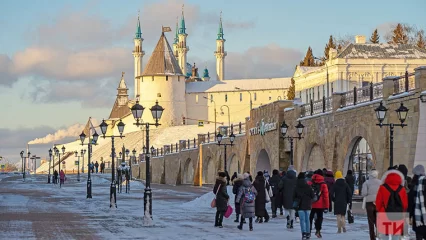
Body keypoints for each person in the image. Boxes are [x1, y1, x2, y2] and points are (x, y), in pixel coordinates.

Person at [375, 168, 408, 239]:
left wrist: (379, 210)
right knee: (396, 235)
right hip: (398, 214)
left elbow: (378, 202)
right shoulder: (402, 189)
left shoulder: (382, 187)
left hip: (384, 213)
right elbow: (405, 204)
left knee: (385, 235)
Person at [361, 169, 381, 240]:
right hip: (378, 202)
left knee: (370, 221)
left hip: (369, 202)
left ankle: (372, 237)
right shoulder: (380, 182)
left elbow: (364, 193)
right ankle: (379, 234)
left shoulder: (366, 183)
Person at [309, 169, 329, 238]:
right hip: (320, 204)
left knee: (310, 218)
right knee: (319, 218)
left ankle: (308, 231)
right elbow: (326, 196)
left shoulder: (310, 183)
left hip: (311, 204)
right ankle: (318, 230)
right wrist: (326, 206)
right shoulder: (323, 184)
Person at [294, 172, 314, 239]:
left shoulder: (296, 186)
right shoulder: (308, 186)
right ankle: (308, 233)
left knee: (302, 220)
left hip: (300, 205)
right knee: (307, 219)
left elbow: (293, 196)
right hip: (308, 204)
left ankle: (304, 233)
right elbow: (312, 196)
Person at [408, 165, 426, 239]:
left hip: (417, 214)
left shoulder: (413, 185)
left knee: (418, 234)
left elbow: (410, 201)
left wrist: (410, 214)